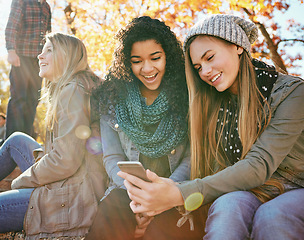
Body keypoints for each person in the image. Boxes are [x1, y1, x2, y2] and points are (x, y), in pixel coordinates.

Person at [118, 14, 304, 239]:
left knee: (273, 215)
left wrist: (178, 193)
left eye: (210, 57)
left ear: (237, 47)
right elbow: (214, 170)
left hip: (296, 188)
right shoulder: (215, 105)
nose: (205, 71)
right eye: (197, 67)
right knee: (226, 209)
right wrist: (165, 189)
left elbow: (259, 165)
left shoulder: (292, 93)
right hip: (251, 191)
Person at [0, 32, 103, 239]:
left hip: (72, 196)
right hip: (69, 181)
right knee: (16, 140)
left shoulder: (72, 90)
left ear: (67, 56)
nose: (39, 56)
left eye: (49, 50)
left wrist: (21, 181)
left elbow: (66, 160)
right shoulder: (73, 87)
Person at [85, 16, 200, 240]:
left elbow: (192, 156)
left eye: (155, 58)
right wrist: (138, 197)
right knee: (111, 212)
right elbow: (112, 157)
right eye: (137, 60)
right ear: (126, 62)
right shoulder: (112, 98)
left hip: (175, 189)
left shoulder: (189, 95)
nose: (147, 68)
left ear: (168, 56)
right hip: (126, 192)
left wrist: (165, 192)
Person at [4, 0, 51, 139]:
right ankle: (12, 140)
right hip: (21, 57)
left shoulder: (46, 7)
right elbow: (12, 26)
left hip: (39, 61)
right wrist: (11, 50)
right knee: (19, 98)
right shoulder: (22, 1)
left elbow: (49, 36)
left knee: (33, 99)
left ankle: (25, 139)